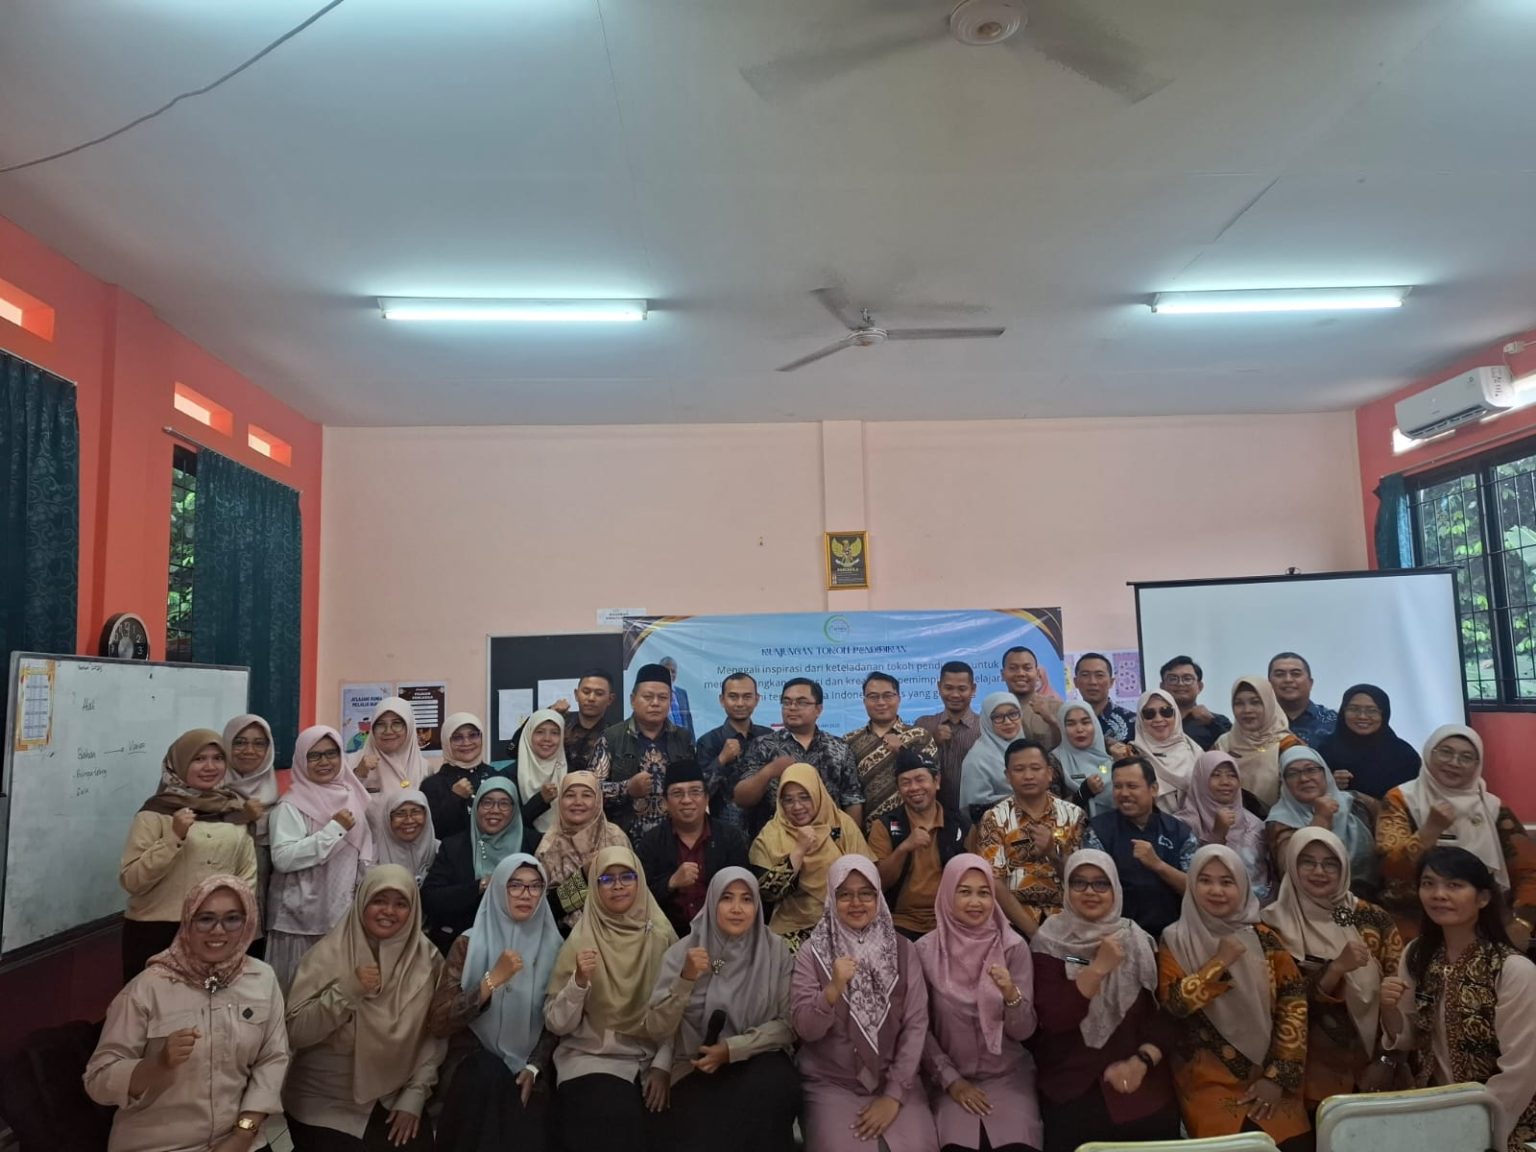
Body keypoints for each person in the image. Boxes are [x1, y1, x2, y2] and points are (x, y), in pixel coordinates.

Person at [85, 875, 288, 1152]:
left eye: (232, 919)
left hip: (239, 1139)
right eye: (205, 919)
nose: (218, 930)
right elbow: (97, 1080)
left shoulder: (261, 979)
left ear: (248, 922)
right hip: (158, 1144)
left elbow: (272, 1058)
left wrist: (243, 1133)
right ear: (187, 922)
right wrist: (157, 1064)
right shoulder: (148, 988)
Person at [1380, 847, 1536, 1152]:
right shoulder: (1417, 955)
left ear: (1483, 898)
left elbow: (1521, 1069)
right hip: (1434, 1113)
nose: (1439, 894)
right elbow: (1410, 1038)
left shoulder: (1512, 969)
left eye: (1454, 885)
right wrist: (1388, 1009)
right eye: (1429, 883)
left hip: (1505, 1123)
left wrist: (1472, 1127)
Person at [283, 865, 444, 1152]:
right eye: (379, 900)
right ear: (361, 902)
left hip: (392, 1093)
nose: (389, 911)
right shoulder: (328, 954)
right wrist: (346, 991)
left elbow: (435, 1035)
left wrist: (415, 1094)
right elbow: (295, 1033)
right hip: (325, 1097)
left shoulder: (427, 959)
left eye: (401, 904)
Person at [1157, 845, 1309, 1149]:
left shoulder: (1264, 938)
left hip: (1270, 1074)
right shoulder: (1175, 939)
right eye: (1205, 880)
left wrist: (1277, 1077)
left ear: (1242, 886)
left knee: (1294, 1142)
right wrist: (1219, 963)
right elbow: (1174, 1005)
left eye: (1227, 882)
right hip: (1207, 1079)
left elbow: (1294, 1006)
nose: (1216, 891)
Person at [1031, 851, 1180, 1152]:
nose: (1090, 891)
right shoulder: (1049, 942)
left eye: (1101, 883)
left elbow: (1167, 1014)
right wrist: (1098, 968)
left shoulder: (1138, 940)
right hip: (1073, 1080)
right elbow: (1056, 1019)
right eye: (1079, 883)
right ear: (1066, 888)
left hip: (1138, 1077)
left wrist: (1142, 1061)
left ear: (1116, 889)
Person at [644, 868, 801, 1152]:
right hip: (694, 1066)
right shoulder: (683, 953)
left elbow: (788, 1025)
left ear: (757, 905)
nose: (737, 909)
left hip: (755, 1060)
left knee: (775, 1085)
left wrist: (732, 1049)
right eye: (727, 898)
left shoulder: (775, 951)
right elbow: (657, 1027)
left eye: (746, 899)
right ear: (712, 902)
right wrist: (686, 979)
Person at [791, 855, 939, 1152]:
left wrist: (893, 1096)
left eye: (866, 894)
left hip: (896, 1080)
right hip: (832, 1083)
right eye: (845, 895)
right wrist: (832, 990)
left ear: (878, 896)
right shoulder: (813, 951)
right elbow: (805, 1029)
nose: (856, 903)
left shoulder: (902, 949)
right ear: (832, 898)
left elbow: (915, 1026)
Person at [545, 846, 678, 1152]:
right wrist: (579, 982)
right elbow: (557, 1024)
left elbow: (678, 1008)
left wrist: (663, 1064)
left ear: (640, 880)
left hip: (649, 1056)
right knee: (609, 1115)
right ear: (594, 886)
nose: (618, 886)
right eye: (606, 879)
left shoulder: (661, 936)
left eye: (626, 877)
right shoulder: (581, 940)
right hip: (592, 1056)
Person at [428, 853, 561, 1152]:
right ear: (499, 888)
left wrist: (534, 1067)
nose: (526, 894)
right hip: (472, 1060)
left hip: (530, 1068)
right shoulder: (468, 944)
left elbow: (555, 1023)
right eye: (515, 885)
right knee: (487, 1079)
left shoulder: (556, 948)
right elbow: (438, 1022)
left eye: (535, 886)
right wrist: (490, 981)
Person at [1261, 828, 1402, 1108]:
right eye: (1307, 862)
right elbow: (1277, 1007)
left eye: (1330, 864)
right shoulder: (1271, 926)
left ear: (1344, 867)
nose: (1319, 872)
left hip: (1376, 1069)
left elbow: (1401, 994)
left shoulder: (1370, 918)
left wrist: (1387, 1060)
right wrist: (1335, 970)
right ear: (1292, 866)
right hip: (1307, 1077)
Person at [917, 854, 1041, 1152]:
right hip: (948, 1080)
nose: (976, 902)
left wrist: (1011, 995)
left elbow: (1024, 1031)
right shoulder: (925, 951)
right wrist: (952, 1081)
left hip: (1008, 1076)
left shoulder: (1013, 948)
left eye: (984, 893)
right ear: (948, 894)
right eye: (965, 892)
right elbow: (919, 1029)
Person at [120, 729, 260, 981]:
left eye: (218, 758)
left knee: (211, 1003)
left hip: (216, 935)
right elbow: (133, 880)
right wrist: (173, 837)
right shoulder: (155, 813)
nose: (210, 767)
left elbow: (245, 878)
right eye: (199, 759)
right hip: (158, 932)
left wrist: (232, 924)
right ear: (180, 763)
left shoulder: (233, 810)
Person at [1376, 724, 1536, 943]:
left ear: (1478, 764)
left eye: (1466, 757)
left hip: (1483, 921)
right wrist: (1429, 831)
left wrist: (1523, 922)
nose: (1454, 762)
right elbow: (1389, 867)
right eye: (1446, 752)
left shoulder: (1493, 808)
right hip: (1414, 920)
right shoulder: (1401, 799)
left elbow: (1528, 869)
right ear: (1429, 753)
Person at [267, 725, 373, 991]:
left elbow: (362, 852)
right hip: (300, 922)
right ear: (302, 760)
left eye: (331, 753)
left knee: (337, 999)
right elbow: (283, 858)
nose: (324, 762)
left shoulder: (353, 795)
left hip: (342, 917)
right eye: (314, 756)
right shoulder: (290, 805)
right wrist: (333, 830)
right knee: (299, 996)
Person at [749, 763, 872, 952]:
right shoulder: (771, 834)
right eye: (788, 800)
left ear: (817, 793)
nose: (797, 807)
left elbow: (867, 877)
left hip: (845, 922)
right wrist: (798, 851)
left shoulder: (841, 824)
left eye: (805, 797)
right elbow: (768, 894)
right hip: (793, 928)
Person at [976, 739, 1085, 939]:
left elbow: (1081, 880)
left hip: (1067, 919)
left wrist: (1052, 853)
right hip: (1012, 924)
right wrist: (1033, 933)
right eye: (1019, 769)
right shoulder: (994, 818)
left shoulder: (1074, 815)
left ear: (1050, 773)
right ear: (1007, 776)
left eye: (1035, 768)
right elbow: (994, 881)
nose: (1028, 776)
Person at [729, 677, 864, 836]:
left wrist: (848, 839)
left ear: (818, 709)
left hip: (829, 840)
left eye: (801, 702)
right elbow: (741, 799)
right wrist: (769, 771)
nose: (792, 707)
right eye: (787, 702)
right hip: (776, 841)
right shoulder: (763, 746)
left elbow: (852, 800)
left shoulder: (839, 748)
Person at [1083, 757, 1198, 939]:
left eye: (1132, 786)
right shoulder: (1099, 830)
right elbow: (1092, 890)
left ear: (1154, 789)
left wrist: (1158, 865)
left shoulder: (1179, 832)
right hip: (1117, 935)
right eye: (1118, 786)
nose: (1124, 793)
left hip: (1174, 936)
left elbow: (1196, 891)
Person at [635, 759, 752, 937]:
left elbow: (744, 890)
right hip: (667, 936)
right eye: (677, 793)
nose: (687, 800)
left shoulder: (729, 838)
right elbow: (639, 897)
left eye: (695, 792)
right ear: (665, 802)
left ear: (706, 798)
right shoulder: (652, 842)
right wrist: (670, 883)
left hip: (722, 933)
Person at [869, 748, 971, 939]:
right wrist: (903, 848)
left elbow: (976, 877)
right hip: (900, 922)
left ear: (936, 781)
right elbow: (878, 884)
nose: (914, 787)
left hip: (953, 919)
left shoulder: (960, 824)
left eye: (920, 779)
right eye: (905, 782)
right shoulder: (884, 825)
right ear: (898, 789)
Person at [422, 778, 525, 952]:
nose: (495, 810)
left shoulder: (532, 844)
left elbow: (550, 900)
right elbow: (430, 899)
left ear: (514, 809)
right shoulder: (453, 847)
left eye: (504, 804)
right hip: (461, 944)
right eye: (487, 803)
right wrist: (480, 886)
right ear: (476, 806)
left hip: (519, 942)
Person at [603, 663, 698, 839]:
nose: (655, 703)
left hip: (674, 837)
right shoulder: (611, 737)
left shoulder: (683, 738)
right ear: (633, 700)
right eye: (647, 697)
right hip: (623, 837)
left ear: (670, 701)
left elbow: (694, 787)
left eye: (662, 697)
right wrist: (627, 788)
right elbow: (590, 791)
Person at [1266, 746, 1377, 894]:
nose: (1304, 779)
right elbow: (1291, 872)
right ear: (1284, 783)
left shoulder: (1359, 803)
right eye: (1292, 774)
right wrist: (1320, 819)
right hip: (1313, 902)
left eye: (1311, 770)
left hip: (1369, 898)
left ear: (1326, 773)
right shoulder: (1280, 821)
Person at [844, 671, 941, 831]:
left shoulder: (919, 736)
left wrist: (902, 750)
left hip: (915, 827)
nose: (881, 702)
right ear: (864, 701)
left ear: (898, 698)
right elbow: (848, 793)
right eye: (873, 697)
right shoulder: (850, 741)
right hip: (867, 830)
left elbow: (932, 777)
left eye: (888, 695)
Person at [1175, 751, 1273, 905]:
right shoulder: (1181, 826)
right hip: (1205, 908)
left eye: (1232, 775)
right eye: (1216, 775)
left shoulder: (1254, 824)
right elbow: (1189, 877)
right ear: (1201, 779)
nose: (1225, 782)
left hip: (1257, 910)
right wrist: (1217, 834)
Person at [537, 770, 632, 929]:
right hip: (565, 934)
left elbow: (632, 888)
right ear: (560, 801)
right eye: (570, 795)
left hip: (616, 928)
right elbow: (544, 909)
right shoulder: (549, 845)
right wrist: (584, 877)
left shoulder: (615, 837)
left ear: (598, 800)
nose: (578, 802)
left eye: (587, 795)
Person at [224, 714, 278, 946]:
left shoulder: (278, 796)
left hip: (264, 904)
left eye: (259, 743)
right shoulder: (206, 790)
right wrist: (240, 818)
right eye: (239, 742)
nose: (249, 750)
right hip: (219, 907)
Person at [1316, 684, 1422, 799]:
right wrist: (1329, 784)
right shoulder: (1325, 749)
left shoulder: (1403, 754)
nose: (1362, 716)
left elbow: (1418, 798)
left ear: (1384, 714)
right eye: (1354, 709)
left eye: (1372, 711)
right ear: (1343, 711)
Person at [421, 712, 512, 842]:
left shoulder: (497, 777)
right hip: (451, 853)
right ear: (446, 742)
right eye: (457, 738)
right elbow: (431, 832)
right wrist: (454, 798)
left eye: (473, 735)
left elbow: (511, 823)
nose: (466, 742)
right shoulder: (432, 785)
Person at [1216, 675, 1303, 811]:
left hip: (1279, 820)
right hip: (1227, 819)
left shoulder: (1288, 746)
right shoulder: (1223, 743)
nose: (1247, 710)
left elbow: (1303, 792)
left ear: (1269, 704)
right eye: (1239, 703)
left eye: (1255, 702)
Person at [694, 672, 772, 819]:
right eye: (733, 697)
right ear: (722, 700)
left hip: (767, 825)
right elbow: (699, 793)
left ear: (757, 699)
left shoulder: (768, 737)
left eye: (747, 697)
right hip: (723, 827)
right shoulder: (708, 742)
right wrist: (721, 759)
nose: (740, 703)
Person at [1117, 688, 1200, 814]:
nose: (1158, 719)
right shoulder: (1131, 755)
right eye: (1149, 714)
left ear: (1176, 714)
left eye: (1166, 711)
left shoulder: (1194, 750)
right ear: (1140, 719)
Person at [914, 661, 981, 816]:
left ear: (973, 689)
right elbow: (911, 767)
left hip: (975, 816)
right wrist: (932, 741)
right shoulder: (923, 725)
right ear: (939, 687)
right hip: (930, 816)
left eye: (962, 689)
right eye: (948, 688)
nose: (955, 695)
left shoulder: (985, 727)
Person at [959, 692, 1025, 822]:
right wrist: (1025, 800)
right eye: (998, 717)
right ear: (987, 721)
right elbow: (975, 807)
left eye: (1013, 714)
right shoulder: (976, 759)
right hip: (995, 828)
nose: (1008, 722)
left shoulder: (1027, 748)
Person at [349, 696, 428, 798]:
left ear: (409, 727)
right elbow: (340, 801)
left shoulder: (425, 769)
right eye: (380, 725)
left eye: (396, 724)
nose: (388, 731)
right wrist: (359, 774)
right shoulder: (351, 762)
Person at [510, 708, 567, 841]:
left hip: (564, 846)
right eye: (539, 732)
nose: (547, 739)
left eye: (555, 733)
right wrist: (540, 800)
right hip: (521, 846)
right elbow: (506, 824)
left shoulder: (572, 773)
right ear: (528, 734)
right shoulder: (508, 776)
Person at [366, 788, 437, 886]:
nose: (409, 820)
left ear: (426, 815)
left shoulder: (442, 852)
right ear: (388, 819)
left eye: (416, 812)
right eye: (400, 814)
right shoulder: (370, 859)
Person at [1055, 700, 1114, 817]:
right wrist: (1084, 792)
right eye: (1071, 724)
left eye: (1086, 722)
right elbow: (1050, 810)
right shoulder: (1053, 762)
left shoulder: (1111, 756)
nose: (1079, 729)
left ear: (1095, 725)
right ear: (1062, 728)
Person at [1159, 656, 1231, 751]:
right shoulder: (1152, 721)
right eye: (1173, 679)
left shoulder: (1218, 721)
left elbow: (1235, 748)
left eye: (1187, 679)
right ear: (1162, 687)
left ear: (1200, 686)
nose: (1180, 683)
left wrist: (1212, 723)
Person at [1268, 652, 1338, 746]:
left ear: (1310, 683)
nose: (1288, 680)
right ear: (1268, 684)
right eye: (1280, 675)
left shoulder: (1335, 721)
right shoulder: (1257, 721)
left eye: (1296, 674)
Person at [1000, 646, 1062, 748]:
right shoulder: (994, 712)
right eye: (1013, 668)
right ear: (1002, 674)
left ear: (1037, 674)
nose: (1021, 673)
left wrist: (1051, 720)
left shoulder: (1057, 708)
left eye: (1027, 668)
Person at [1074, 652, 1135, 744]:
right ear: (1075, 682)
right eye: (1085, 675)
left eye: (1099, 675)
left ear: (1111, 682)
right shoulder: (1068, 721)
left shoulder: (1132, 721)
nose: (1093, 682)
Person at [660, 656, 695, 737]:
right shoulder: (655, 695)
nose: (670, 674)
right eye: (666, 671)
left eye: (673, 671)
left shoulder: (682, 693)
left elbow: (688, 720)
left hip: (683, 739)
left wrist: (692, 741)